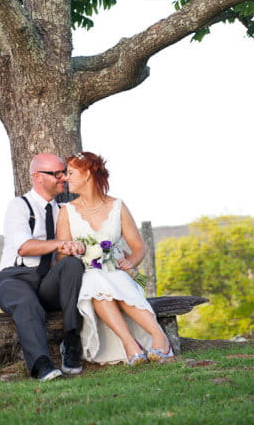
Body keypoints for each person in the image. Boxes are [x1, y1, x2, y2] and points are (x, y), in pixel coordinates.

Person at [56, 151, 173, 366]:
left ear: (88, 174)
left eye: (71, 172)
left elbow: (138, 247)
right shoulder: (67, 211)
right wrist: (74, 249)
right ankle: (130, 343)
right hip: (88, 276)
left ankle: (160, 337)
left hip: (119, 274)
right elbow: (61, 255)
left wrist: (131, 262)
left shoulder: (117, 206)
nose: (65, 178)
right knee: (94, 281)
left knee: (114, 279)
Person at [0, 152, 85, 381]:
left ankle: (72, 342)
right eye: (57, 174)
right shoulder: (19, 206)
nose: (63, 177)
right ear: (38, 177)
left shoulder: (64, 210)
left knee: (73, 265)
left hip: (46, 283)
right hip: (16, 278)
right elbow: (24, 247)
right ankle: (41, 364)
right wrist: (62, 244)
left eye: (64, 172)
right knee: (26, 302)